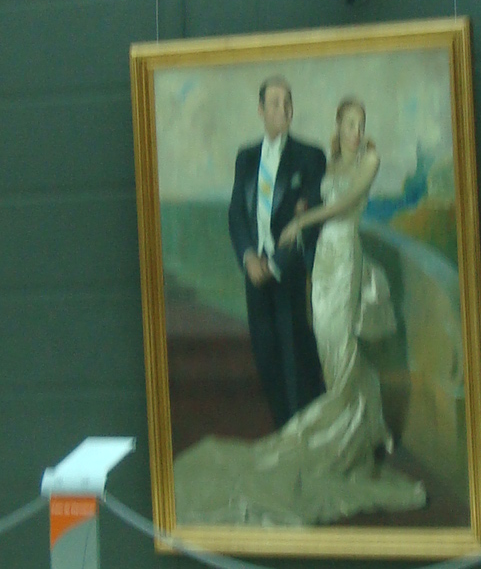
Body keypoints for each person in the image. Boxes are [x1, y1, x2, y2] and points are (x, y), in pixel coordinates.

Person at [177, 97, 427, 527]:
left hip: (345, 259)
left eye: (361, 124)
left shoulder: (369, 160)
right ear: (339, 126)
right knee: (328, 349)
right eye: (350, 123)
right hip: (322, 262)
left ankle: (350, 439)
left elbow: (343, 205)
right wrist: (296, 215)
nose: (356, 131)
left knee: (341, 345)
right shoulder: (329, 162)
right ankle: (356, 426)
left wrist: (302, 221)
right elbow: (305, 198)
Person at [228, 75, 326, 429]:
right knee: (265, 354)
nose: (282, 109)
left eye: (287, 103)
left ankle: (307, 431)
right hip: (255, 274)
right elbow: (237, 213)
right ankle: (284, 429)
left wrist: (275, 264)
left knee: (295, 355)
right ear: (260, 110)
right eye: (274, 103)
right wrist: (248, 258)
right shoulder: (246, 157)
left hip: (289, 271)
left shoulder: (310, 157)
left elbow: (311, 219)